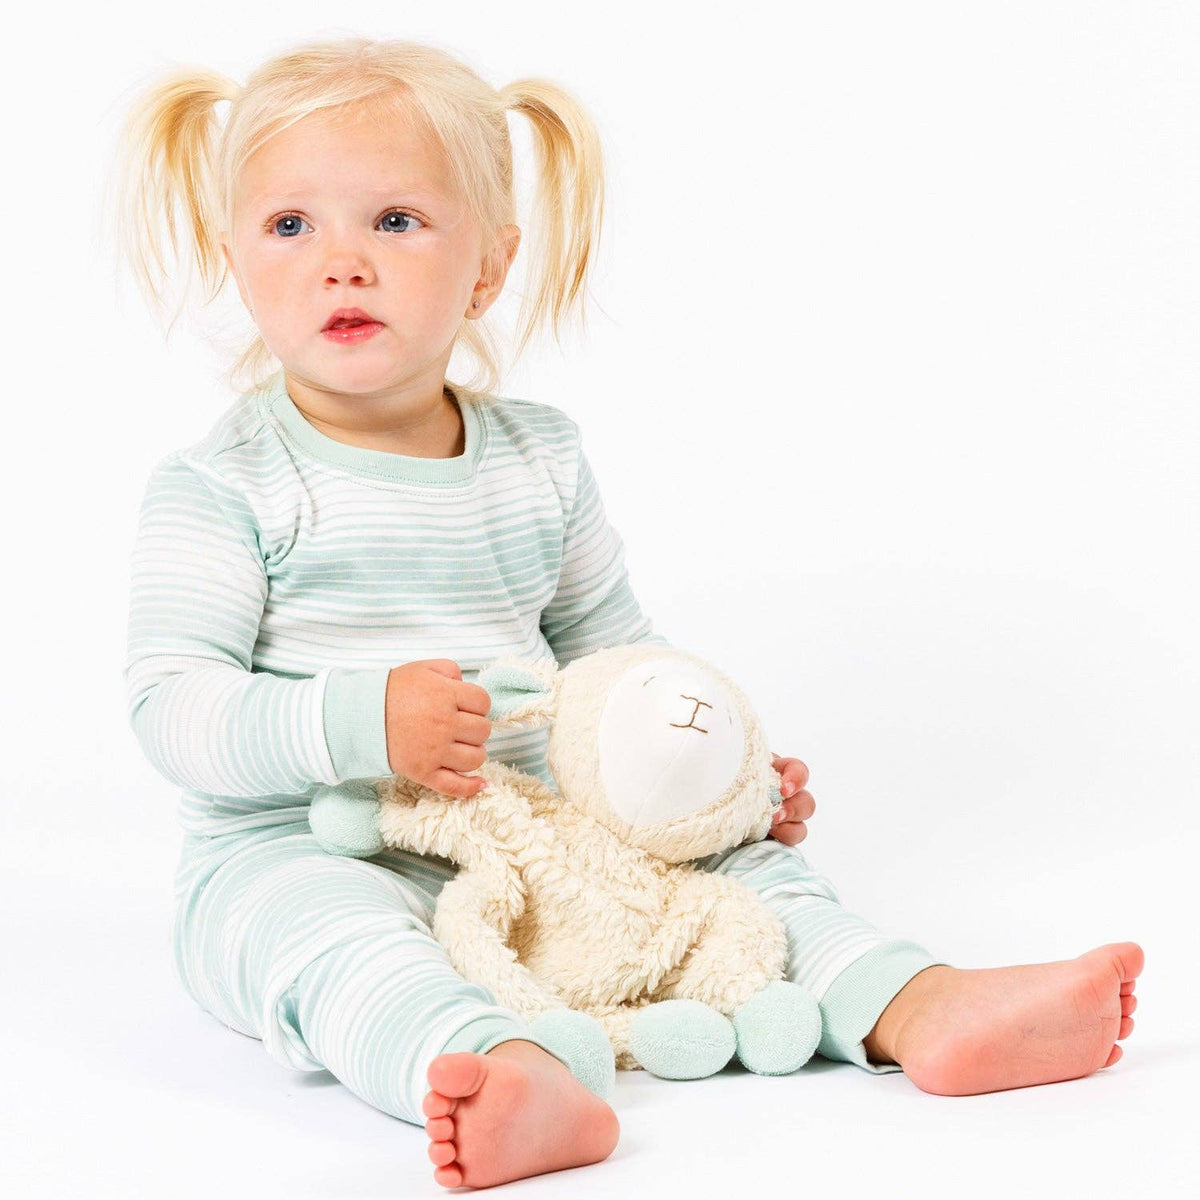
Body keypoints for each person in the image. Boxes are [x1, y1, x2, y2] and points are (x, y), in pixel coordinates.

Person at [114, 36, 1143, 1192]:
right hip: (308, 843)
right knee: (327, 938)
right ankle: (497, 1068)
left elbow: (617, 661)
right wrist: (359, 723)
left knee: (746, 874)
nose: (341, 264)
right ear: (235, 260)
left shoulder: (539, 461)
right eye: (290, 225)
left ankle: (910, 1000)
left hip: (543, 838)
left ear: (489, 265)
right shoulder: (223, 488)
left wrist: (707, 773)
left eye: (396, 221)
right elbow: (174, 709)